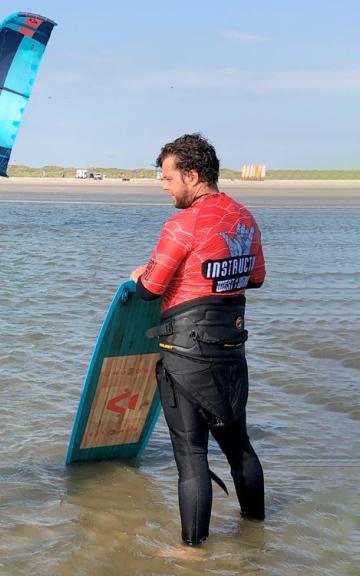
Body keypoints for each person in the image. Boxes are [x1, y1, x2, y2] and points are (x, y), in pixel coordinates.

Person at [130, 133, 265, 548]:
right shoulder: (244, 217)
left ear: (192, 175)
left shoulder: (182, 224)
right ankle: (257, 531)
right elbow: (256, 278)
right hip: (231, 352)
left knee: (191, 460)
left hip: (185, 356)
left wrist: (139, 275)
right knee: (239, 446)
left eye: (168, 177)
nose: (164, 185)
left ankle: (194, 555)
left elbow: (151, 288)